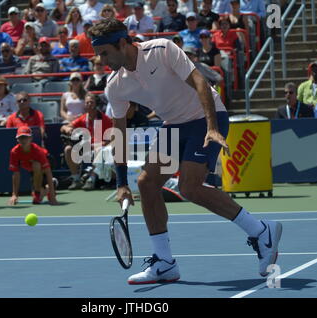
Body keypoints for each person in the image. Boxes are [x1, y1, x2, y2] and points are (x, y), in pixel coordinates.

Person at [89, 18, 282, 284]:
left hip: (206, 117)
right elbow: (119, 133)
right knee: (146, 182)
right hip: (174, 125)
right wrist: (121, 183)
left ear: (122, 43)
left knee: (190, 187)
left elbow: (200, 81)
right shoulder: (115, 85)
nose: (101, 60)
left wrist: (212, 127)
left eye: (104, 53)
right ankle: (165, 262)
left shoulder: (161, 49)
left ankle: (261, 231)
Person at [60, 92, 113, 190]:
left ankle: (91, 179)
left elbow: (110, 140)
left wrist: (94, 145)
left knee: (99, 149)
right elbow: (64, 127)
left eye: (91, 102)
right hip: (85, 148)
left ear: (96, 104)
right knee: (68, 149)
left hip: (100, 149)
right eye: (87, 102)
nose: (89, 104)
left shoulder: (105, 119)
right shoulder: (83, 118)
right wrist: (67, 128)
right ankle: (76, 180)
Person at [9, 126, 58, 205]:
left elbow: (48, 171)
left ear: (31, 138)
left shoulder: (37, 151)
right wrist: (14, 195)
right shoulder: (14, 152)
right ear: (17, 139)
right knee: (37, 200)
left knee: (36, 164)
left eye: (26, 137)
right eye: (21, 138)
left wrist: (52, 196)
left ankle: (39, 192)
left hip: (48, 162)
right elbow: (16, 173)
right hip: (33, 170)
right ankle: (50, 185)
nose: (23, 140)